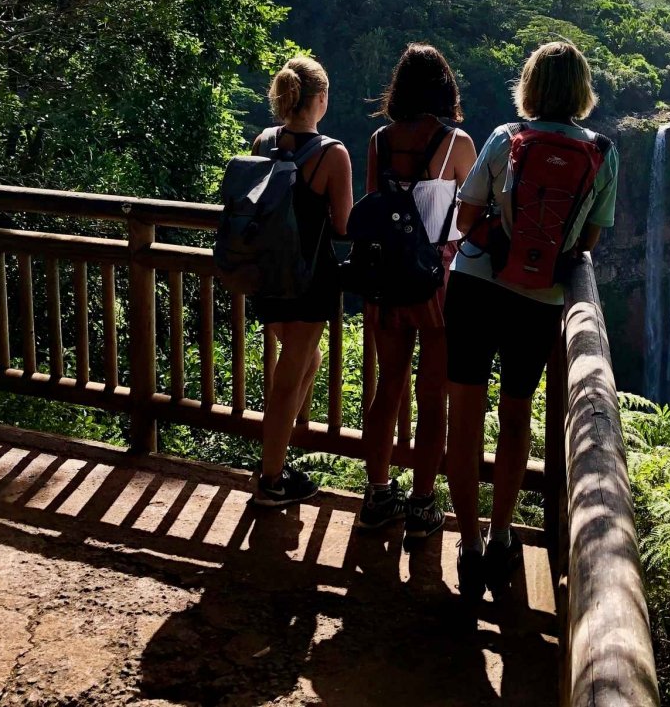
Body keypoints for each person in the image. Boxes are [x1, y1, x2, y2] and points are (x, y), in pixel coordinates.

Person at [444, 41, 619, 601]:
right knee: (516, 416)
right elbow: (589, 239)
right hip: (538, 300)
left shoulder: (504, 138)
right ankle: (501, 538)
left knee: (465, 418)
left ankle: (468, 547)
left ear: (530, 86)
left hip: (474, 288)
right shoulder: (602, 152)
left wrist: (500, 230)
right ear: (582, 92)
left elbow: (466, 216)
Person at [356, 44, 477, 540]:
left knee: (388, 387)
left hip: (386, 282)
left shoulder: (380, 140)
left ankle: (377, 494)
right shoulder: (456, 143)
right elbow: (471, 217)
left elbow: (369, 213)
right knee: (431, 398)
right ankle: (422, 505)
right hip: (437, 283)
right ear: (446, 89)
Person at [248, 56, 353, 507]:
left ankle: (278, 458)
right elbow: (345, 225)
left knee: (303, 364)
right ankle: (271, 480)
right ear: (321, 99)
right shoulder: (332, 154)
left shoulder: (264, 140)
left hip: (268, 273)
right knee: (290, 377)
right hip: (310, 280)